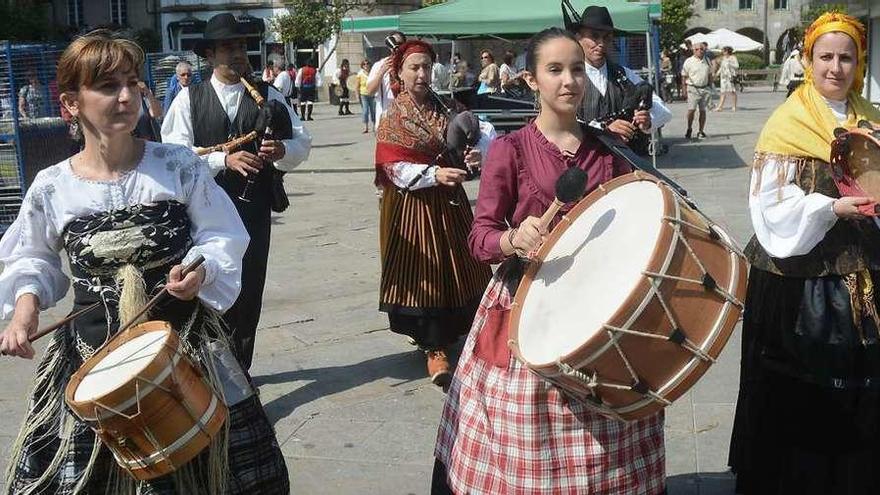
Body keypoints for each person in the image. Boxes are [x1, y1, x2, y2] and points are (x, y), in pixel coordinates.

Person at [0, 30, 289, 494]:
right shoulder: (53, 186)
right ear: (71, 103)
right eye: (108, 86)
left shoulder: (177, 165)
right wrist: (26, 308)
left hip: (186, 345)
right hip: (92, 356)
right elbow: (30, 254)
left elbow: (223, 234)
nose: (125, 96)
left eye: (132, 83)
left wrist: (201, 269)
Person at [433, 27, 664, 494]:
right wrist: (514, 238)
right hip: (527, 305)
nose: (569, 81)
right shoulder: (509, 149)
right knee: (530, 438)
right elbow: (481, 238)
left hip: (601, 304)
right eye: (555, 70)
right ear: (532, 80)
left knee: (607, 432)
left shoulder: (609, 150)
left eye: (577, 69)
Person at [728, 12, 880, 495]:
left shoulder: (871, 119)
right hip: (802, 281)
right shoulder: (786, 123)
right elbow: (769, 209)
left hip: (866, 272)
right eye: (826, 57)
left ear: (859, 63)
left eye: (846, 57)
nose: (836, 67)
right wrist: (830, 207)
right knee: (804, 385)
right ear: (808, 60)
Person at [162, 13, 312, 370]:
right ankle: (206, 368)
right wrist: (222, 161)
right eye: (228, 47)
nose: (237, 53)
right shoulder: (189, 98)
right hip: (203, 211)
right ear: (211, 55)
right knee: (203, 284)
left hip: (253, 209)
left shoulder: (269, 94)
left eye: (242, 46)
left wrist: (282, 152)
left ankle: (239, 370)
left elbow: (301, 142)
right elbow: (174, 155)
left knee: (248, 288)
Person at [375, 39, 493, 387]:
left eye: (426, 67)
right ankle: (433, 347)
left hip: (451, 204)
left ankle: (466, 334)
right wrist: (433, 174)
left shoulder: (447, 106)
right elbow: (391, 167)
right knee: (423, 270)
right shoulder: (393, 115)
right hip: (413, 206)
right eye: (415, 67)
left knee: (462, 268)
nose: (422, 74)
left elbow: (481, 135)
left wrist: (476, 157)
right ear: (399, 72)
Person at [572, 5, 672, 154]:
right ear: (579, 38)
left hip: (623, 163)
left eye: (607, 38)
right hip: (585, 159)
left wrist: (647, 120)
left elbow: (663, 111)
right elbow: (560, 122)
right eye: (594, 36)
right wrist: (604, 129)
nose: (601, 43)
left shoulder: (624, 74)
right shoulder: (569, 77)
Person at [366, 31, 407, 129]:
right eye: (393, 43)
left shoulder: (410, 64)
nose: (396, 46)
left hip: (407, 120)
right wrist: (381, 72)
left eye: (400, 44)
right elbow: (370, 91)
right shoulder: (380, 65)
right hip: (385, 120)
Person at [681, 41, 712, 139]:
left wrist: (710, 87)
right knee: (691, 110)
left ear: (705, 50)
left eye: (701, 49)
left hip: (704, 88)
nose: (699, 51)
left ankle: (701, 131)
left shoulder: (707, 60)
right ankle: (689, 128)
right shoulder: (688, 61)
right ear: (693, 51)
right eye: (697, 49)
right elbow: (684, 76)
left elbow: (710, 74)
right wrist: (684, 90)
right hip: (692, 88)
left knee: (703, 111)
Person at [714, 46, 739, 111]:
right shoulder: (723, 58)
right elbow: (721, 67)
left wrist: (730, 64)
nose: (723, 52)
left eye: (724, 51)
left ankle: (734, 106)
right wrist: (717, 74)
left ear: (727, 51)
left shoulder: (733, 57)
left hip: (730, 77)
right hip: (723, 77)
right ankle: (720, 106)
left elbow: (737, 66)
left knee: (732, 91)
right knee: (722, 92)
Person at [356, 59, 375, 133]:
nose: (366, 65)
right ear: (362, 66)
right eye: (364, 64)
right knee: (365, 111)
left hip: (372, 94)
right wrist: (357, 95)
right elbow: (357, 85)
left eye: (367, 64)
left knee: (373, 111)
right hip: (363, 94)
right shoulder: (360, 74)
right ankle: (366, 127)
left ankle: (374, 125)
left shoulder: (373, 73)